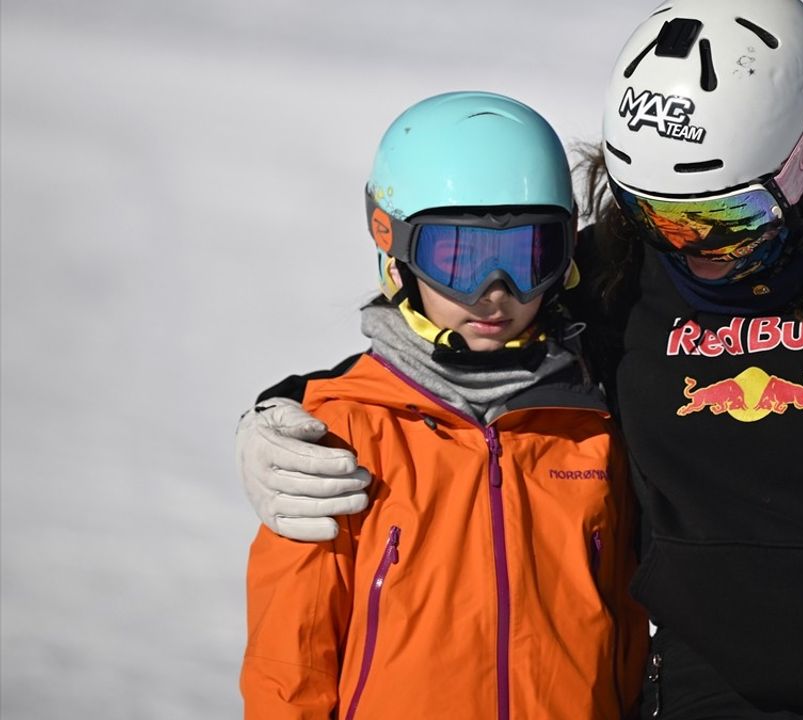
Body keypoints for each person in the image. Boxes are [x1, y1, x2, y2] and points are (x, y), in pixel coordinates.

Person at [237, 2, 803, 718]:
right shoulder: (619, 276)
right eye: (653, 212)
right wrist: (279, 417)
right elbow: (456, 351)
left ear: (800, 169)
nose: (685, 250)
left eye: (718, 222)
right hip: (705, 698)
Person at [238, 91, 648, 719]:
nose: (495, 295)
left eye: (527, 258)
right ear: (394, 247)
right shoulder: (340, 435)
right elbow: (291, 659)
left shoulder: (591, 425)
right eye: (458, 259)